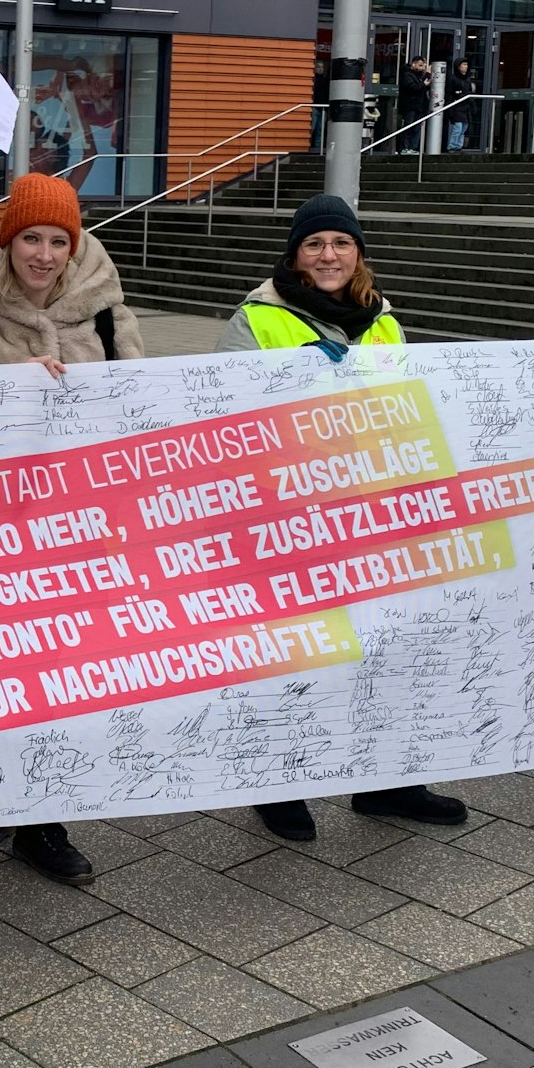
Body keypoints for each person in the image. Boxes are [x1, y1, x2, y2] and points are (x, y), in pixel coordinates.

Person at [214, 193, 469, 840]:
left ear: (358, 253)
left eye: (341, 243)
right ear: (295, 254)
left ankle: (388, 781)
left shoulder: (382, 320)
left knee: (387, 646)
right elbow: (231, 420)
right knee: (294, 653)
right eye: (315, 244)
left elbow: (408, 409)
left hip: (374, 514)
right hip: (292, 517)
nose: (329, 255)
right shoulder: (258, 319)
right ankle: (280, 784)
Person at [0, 174, 145, 884]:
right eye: (30, 238)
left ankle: (44, 822)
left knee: (60, 676)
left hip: (76, 537)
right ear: (6, 240)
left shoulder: (111, 321)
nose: (43, 254)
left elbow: (136, 423)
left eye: (57, 240)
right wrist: (5, 390)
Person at [400, 56, 433, 153]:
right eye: (420, 65)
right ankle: (405, 147)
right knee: (409, 126)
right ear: (413, 64)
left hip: (419, 106)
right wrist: (423, 83)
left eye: (423, 66)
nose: (422, 68)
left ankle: (413, 148)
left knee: (417, 128)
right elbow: (413, 88)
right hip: (410, 106)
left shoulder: (418, 76)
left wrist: (427, 75)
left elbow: (423, 85)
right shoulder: (407, 75)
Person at [446, 60, 479, 152]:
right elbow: (449, 94)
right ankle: (452, 146)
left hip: (466, 106)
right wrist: (450, 108)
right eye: (464, 64)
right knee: (458, 127)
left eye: (467, 64)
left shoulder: (467, 79)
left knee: (464, 127)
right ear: (458, 66)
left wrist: (473, 106)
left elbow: (469, 93)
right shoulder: (453, 79)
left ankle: (458, 146)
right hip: (456, 106)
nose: (466, 66)